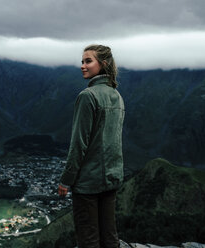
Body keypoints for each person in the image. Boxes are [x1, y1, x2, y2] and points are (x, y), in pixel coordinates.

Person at [58, 44, 124, 248]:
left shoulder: (88, 96)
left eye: (88, 61)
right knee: (110, 238)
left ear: (102, 64)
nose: (82, 66)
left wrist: (66, 180)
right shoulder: (117, 96)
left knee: (88, 240)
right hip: (111, 177)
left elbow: (79, 144)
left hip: (88, 181)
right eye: (82, 61)